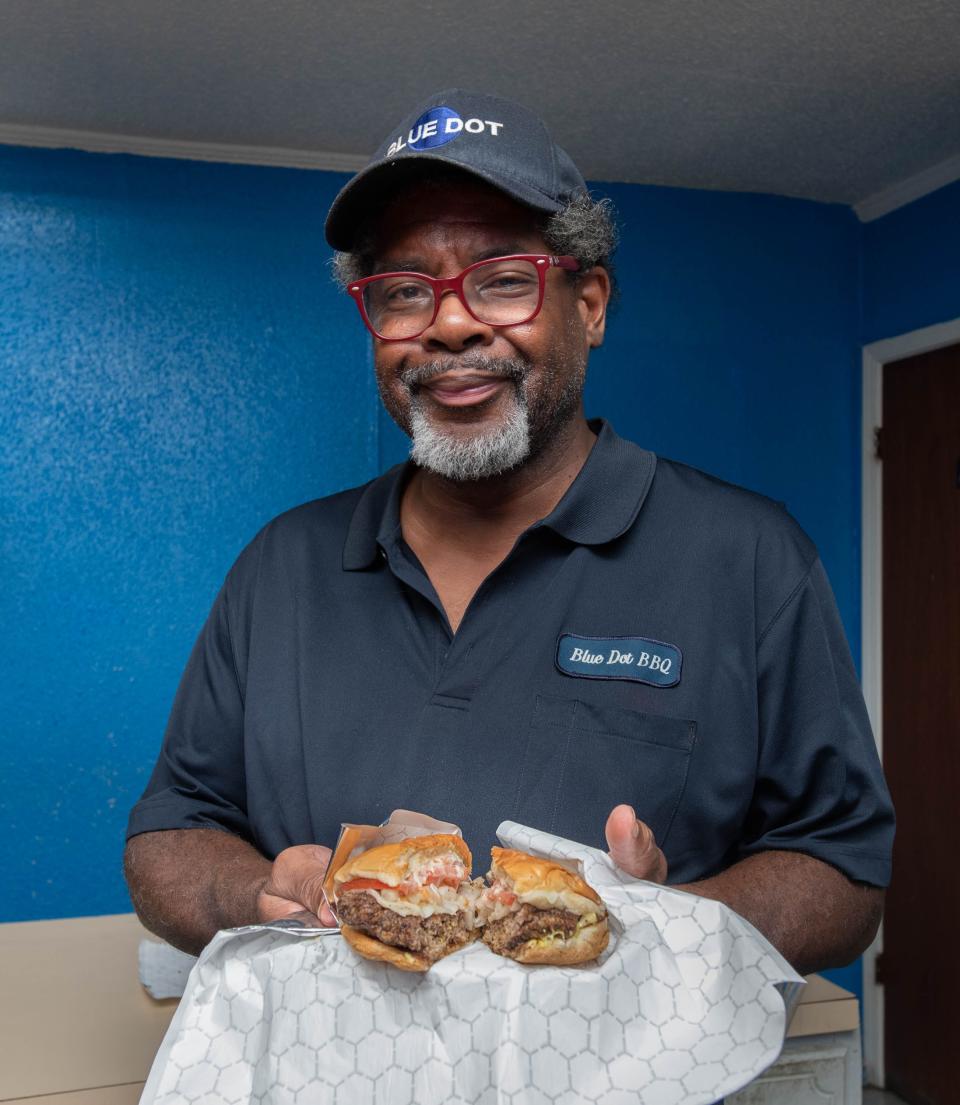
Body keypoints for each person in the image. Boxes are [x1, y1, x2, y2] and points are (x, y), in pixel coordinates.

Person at [124, 90, 894, 974]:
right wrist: (253, 888)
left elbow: (844, 871)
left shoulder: (749, 558)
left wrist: (657, 924)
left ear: (592, 304)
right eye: (406, 290)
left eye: (503, 279)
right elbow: (167, 836)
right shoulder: (280, 568)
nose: (450, 323)